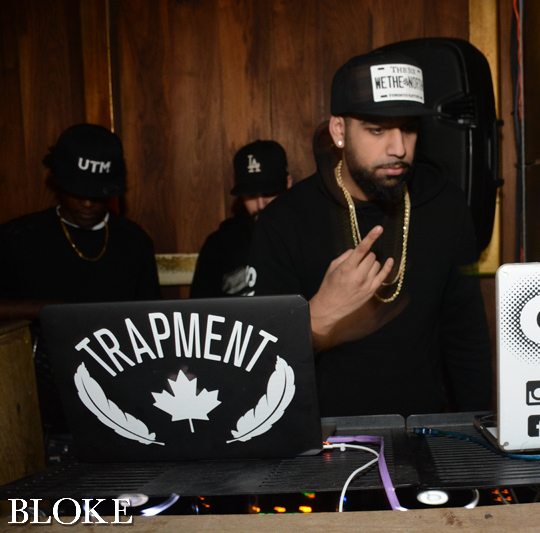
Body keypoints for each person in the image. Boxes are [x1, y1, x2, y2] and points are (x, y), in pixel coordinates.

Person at [249, 49, 493, 417]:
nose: (399, 148)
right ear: (339, 131)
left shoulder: (445, 205)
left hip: (422, 430)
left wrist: (474, 429)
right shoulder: (285, 220)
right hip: (324, 436)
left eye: (408, 128)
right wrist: (318, 315)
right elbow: (258, 360)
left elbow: (466, 334)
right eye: (377, 130)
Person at [0, 123, 161, 435]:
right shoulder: (17, 238)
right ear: (58, 181)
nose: (88, 204)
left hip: (120, 397)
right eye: (78, 191)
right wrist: (50, 311)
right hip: (38, 403)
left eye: (99, 195)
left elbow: (151, 319)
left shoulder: (134, 241)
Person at [190, 140, 292, 298]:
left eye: (269, 192)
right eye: (251, 194)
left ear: (288, 183)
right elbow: (198, 308)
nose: (260, 204)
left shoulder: (306, 236)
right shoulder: (219, 245)